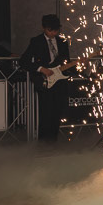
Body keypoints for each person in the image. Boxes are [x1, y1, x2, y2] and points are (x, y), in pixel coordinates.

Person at [20, 14, 71, 143]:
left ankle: (53, 142)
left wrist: (78, 65)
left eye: (56, 30)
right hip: (44, 81)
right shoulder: (36, 41)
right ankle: (43, 143)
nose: (53, 33)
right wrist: (41, 69)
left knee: (57, 112)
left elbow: (66, 61)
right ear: (43, 28)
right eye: (50, 30)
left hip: (60, 81)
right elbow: (24, 61)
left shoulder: (63, 42)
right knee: (45, 113)